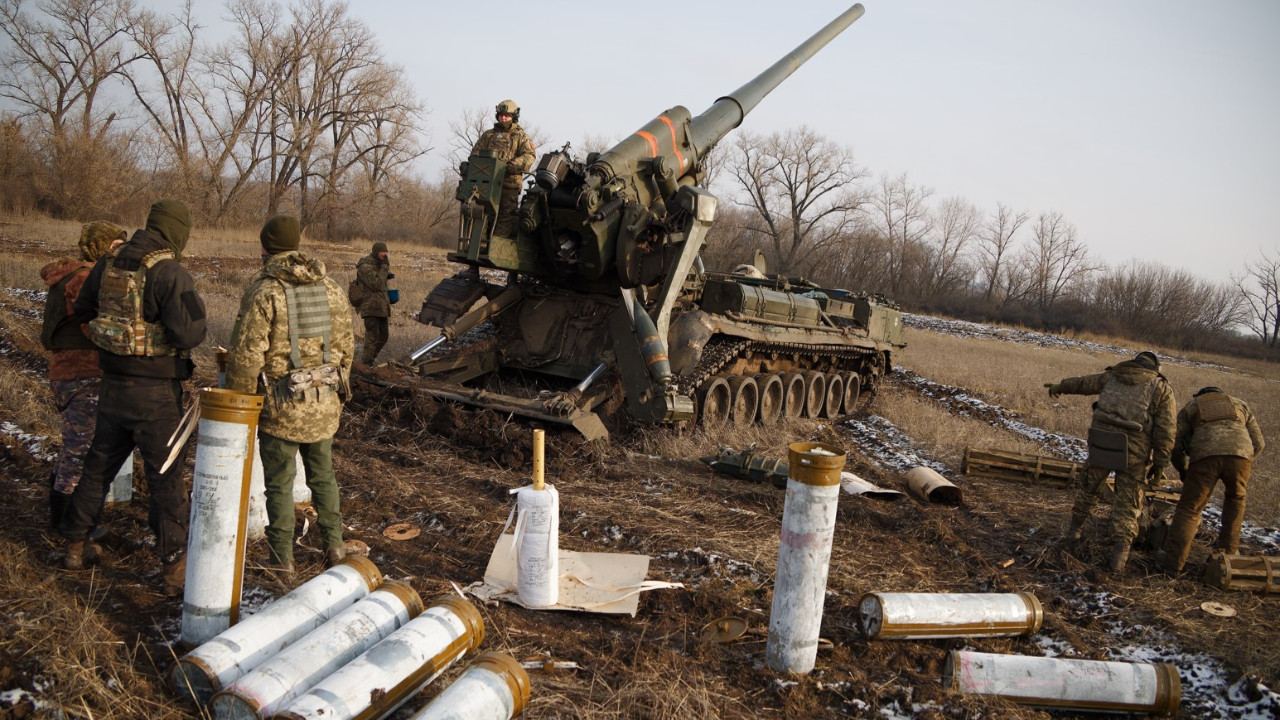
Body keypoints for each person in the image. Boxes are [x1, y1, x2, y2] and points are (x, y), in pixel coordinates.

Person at [59, 199, 207, 596]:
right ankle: (174, 565)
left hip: (112, 384)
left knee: (99, 466)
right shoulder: (170, 272)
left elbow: (84, 310)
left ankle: (75, 544)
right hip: (156, 393)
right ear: (178, 232)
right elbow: (190, 334)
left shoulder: (108, 264)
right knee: (166, 476)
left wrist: (115, 342)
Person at [225, 215, 354, 575]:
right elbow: (346, 348)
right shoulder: (331, 287)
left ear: (266, 247)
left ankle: (282, 561)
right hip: (325, 404)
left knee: (279, 485)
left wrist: (241, 402)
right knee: (323, 476)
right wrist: (337, 395)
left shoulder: (265, 291)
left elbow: (247, 355)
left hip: (281, 409)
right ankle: (335, 548)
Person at [1046, 350, 1176, 573]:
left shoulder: (1113, 376)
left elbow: (1085, 383)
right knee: (1128, 503)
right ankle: (1119, 557)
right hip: (1134, 453)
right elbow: (1166, 431)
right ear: (1155, 368)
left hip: (1101, 443)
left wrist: (1060, 386)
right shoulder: (1160, 388)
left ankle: (1074, 531)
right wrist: (1160, 464)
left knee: (1088, 488)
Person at [40, 221, 127, 530]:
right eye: (115, 246)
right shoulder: (85, 279)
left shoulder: (75, 274)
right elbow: (94, 327)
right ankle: (67, 522)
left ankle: (62, 514)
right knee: (81, 451)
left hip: (71, 372)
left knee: (74, 446)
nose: (120, 252)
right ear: (100, 247)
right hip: (82, 373)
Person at [1157, 387, 1264, 573]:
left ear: (1200, 396)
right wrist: (1245, 459)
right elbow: (1259, 443)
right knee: (1235, 501)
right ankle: (1226, 559)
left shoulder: (1192, 406)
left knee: (1190, 509)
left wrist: (1183, 470)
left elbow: (1174, 442)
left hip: (1205, 457)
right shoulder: (1239, 404)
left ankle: (1172, 565)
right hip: (1241, 456)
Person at [469, 99, 536, 237]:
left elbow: (530, 156)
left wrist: (512, 165)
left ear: (513, 117)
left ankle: (495, 251)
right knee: (482, 214)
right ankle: (479, 247)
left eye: (507, 116)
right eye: (501, 115)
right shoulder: (488, 135)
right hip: (487, 183)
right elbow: (475, 154)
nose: (503, 118)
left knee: (505, 217)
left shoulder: (520, 136)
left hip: (509, 184)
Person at [353, 241, 392, 364]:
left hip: (381, 307)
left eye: (386, 252)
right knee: (372, 336)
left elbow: (381, 286)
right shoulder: (365, 266)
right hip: (370, 306)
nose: (385, 255)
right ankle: (366, 363)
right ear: (376, 252)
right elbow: (376, 284)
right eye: (383, 252)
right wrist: (384, 268)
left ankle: (370, 358)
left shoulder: (379, 265)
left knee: (384, 336)